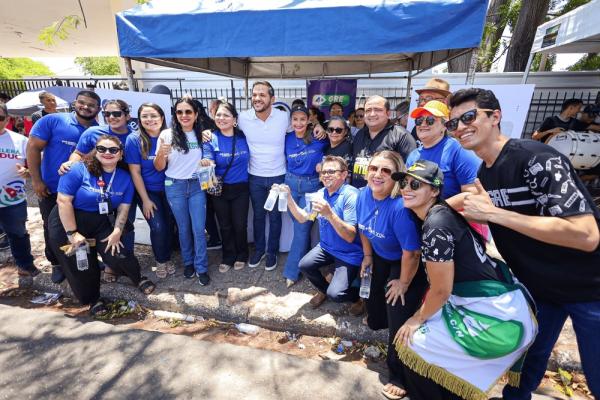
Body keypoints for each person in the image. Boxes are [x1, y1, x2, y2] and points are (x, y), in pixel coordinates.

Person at [447, 88, 600, 399]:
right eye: (453, 123)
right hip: (539, 290)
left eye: (468, 117)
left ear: (495, 117)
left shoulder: (536, 158)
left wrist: (493, 213)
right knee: (524, 366)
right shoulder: (484, 172)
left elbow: (586, 235)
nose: (460, 127)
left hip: (590, 290)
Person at [393, 160, 536, 400]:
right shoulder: (441, 210)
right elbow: (459, 199)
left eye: (415, 184)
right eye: (403, 182)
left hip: (494, 313)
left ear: (435, 191)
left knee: (410, 343)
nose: (406, 188)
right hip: (501, 301)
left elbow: (441, 291)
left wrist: (416, 318)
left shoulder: (435, 226)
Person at [48, 135, 155, 317]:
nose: (107, 153)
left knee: (118, 252)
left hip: (99, 220)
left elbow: (124, 207)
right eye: (102, 149)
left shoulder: (124, 177)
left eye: (113, 150)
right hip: (68, 221)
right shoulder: (77, 170)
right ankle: (93, 299)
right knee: (81, 263)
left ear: (120, 154)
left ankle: (137, 278)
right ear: (95, 150)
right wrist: (72, 233)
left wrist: (117, 230)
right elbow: (63, 201)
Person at [356, 150, 427, 400]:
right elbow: (362, 228)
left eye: (386, 171)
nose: (377, 174)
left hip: (405, 263)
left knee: (395, 307)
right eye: (373, 168)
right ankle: (380, 320)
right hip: (380, 256)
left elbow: (412, 253)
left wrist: (403, 283)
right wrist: (367, 257)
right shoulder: (363, 195)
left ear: (396, 177)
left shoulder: (399, 208)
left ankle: (398, 374)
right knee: (373, 308)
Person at [28, 90, 101, 284]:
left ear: (98, 109)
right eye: (82, 103)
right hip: (51, 188)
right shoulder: (53, 121)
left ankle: (89, 260)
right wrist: (36, 180)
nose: (85, 107)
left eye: (91, 105)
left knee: (83, 227)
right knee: (53, 230)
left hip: (83, 192)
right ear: (75, 103)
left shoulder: (98, 130)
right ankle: (57, 264)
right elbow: (33, 147)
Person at [281, 156, 362, 307]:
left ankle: (357, 298)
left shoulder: (352, 196)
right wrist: (289, 198)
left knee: (336, 294)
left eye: (331, 171)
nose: (325, 175)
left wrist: (329, 214)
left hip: (349, 253)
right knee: (304, 265)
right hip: (326, 248)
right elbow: (303, 218)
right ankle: (324, 290)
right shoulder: (320, 193)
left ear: (344, 175)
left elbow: (350, 236)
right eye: (323, 172)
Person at [154, 97, 211, 286]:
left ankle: (201, 266)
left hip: (196, 185)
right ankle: (188, 263)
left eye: (188, 112)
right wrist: (162, 153)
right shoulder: (166, 135)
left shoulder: (202, 134)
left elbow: (209, 157)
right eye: (179, 112)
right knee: (184, 228)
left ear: (195, 114)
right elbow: (159, 167)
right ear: (175, 115)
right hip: (175, 185)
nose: (184, 115)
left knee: (198, 229)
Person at [124, 103, 175, 279]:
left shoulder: (171, 136)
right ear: (139, 120)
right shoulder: (134, 140)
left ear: (162, 118)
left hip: (171, 188)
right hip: (147, 191)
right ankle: (161, 260)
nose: (150, 120)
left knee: (169, 225)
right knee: (158, 226)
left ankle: (167, 258)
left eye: (153, 115)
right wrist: (145, 199)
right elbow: (135, 172)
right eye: (145, 116)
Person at [201, 100, 250, 273]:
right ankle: (228, 256)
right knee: (225, 225)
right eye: (218, 115)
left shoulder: (244, 136)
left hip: (241, 188)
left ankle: (242, 254)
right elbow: (208, 158)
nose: (221, 118)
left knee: (239, 224)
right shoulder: (210, 138)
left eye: (226, 115)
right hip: (219, 189)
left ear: (234, 119)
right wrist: (207, 163)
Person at [282, 105, 328, 286]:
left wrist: (322, 126)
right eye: (295, 119)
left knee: (301, 229)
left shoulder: (319, 138)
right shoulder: (286, 138)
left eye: (303, 119)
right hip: (290, 186)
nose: (299, 123)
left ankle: (292, 272)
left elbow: (340, 133)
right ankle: (307, 260)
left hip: (311, 187)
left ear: (309, 120)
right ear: (291, 121)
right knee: (301, 229)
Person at [406, 100, 481, 202]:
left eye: (430, 120)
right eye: (419, 120)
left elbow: (474, 193)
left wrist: (438, 210)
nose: (423, 124)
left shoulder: (458, 150)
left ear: (444, 126)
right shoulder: (413, 156)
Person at [0, 102, 39, 277]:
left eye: (0, 118)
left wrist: (28, 172)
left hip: (12, 198)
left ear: (7, 119)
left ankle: (25, 265)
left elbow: (35, 166)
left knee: (17, 233)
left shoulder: (21, 140)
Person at [351, 95, 416, 188]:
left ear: (388, 113)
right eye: (368, 110)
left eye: (377, 110)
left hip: (388, 199)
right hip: (360, 196)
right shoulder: (359, 135)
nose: (372, 114)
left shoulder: (402, 136)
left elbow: (410, 172)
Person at [531, 98, 600, 143]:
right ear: (571, 108)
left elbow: (595, 127)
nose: (579, 111)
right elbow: (535, 136)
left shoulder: (575, 122)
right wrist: (551, 131)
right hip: (548, 153)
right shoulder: (550, 120)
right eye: (578, 108)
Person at [411, 78, 452, 145]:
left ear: (444, 101)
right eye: (421, 99)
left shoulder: (454, 129)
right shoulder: (419, 127)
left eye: (429, 98)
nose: (422, 103)